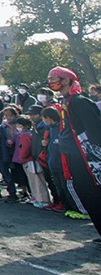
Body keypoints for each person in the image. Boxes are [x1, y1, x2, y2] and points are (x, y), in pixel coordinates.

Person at [47, 66, 101, 243]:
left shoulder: (79, 101)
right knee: (87, 194)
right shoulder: (64, 102)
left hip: (87, 157)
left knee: (94, 193)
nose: (51, 82)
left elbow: (95, 130)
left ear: (66, 80)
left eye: (55, 78)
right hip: (73, 155)